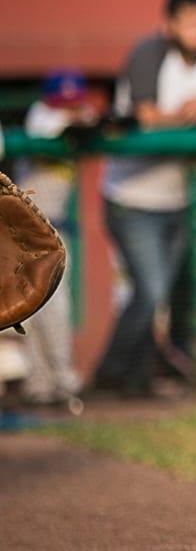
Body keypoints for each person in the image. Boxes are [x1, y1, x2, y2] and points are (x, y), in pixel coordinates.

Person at [93, 0, 196, 398]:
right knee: (150, 290)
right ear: (169, 25)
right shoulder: (149, 53)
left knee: (155, 297)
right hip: (130, 195)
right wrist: (186, 117)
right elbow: (144, 116)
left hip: (176, 198)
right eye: (191, 22)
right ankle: (108, 373)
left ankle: (134, 381)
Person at [9, 70, 99, 409]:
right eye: (63, 102)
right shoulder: (40, 116)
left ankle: (54, 381)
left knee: (48, 308)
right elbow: (60, 127)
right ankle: (50, 381)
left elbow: (87, 121)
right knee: (40, 309)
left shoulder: (74, 114)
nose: (70, 108)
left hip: (51, 228)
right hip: (26, 229)